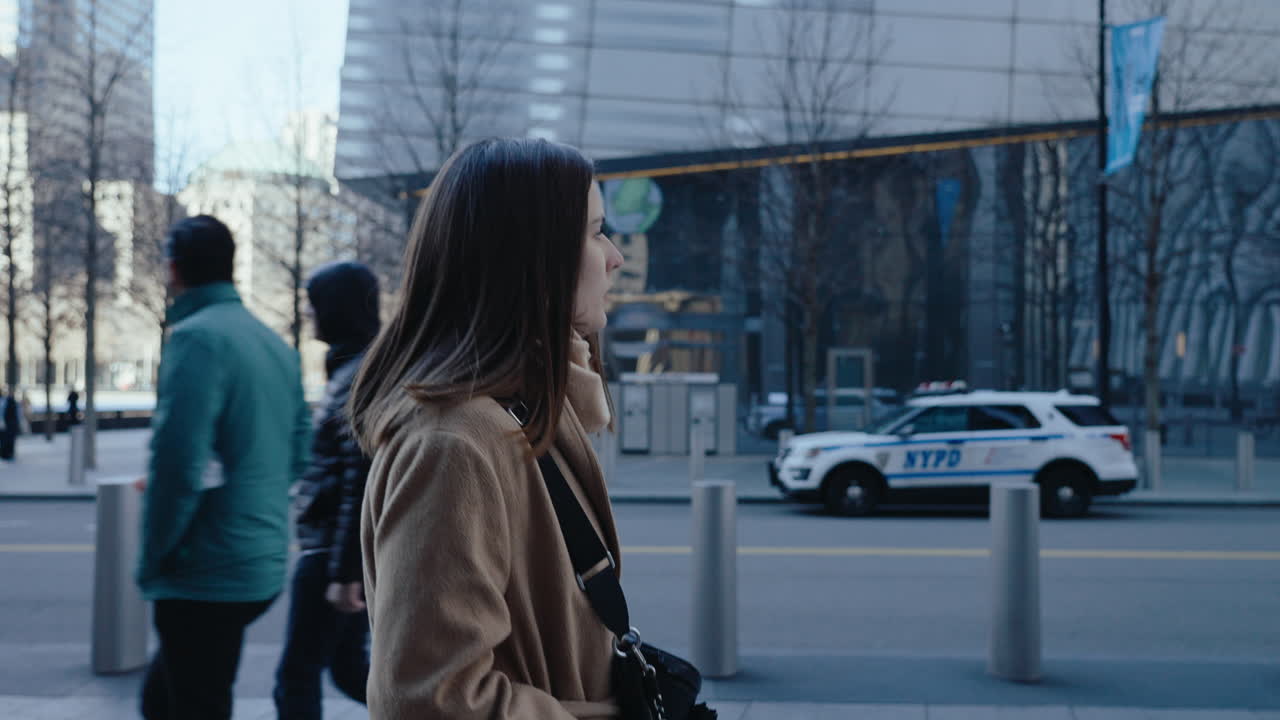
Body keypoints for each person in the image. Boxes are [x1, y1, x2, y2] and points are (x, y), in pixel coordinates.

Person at [349, 138, 627, 718]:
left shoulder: (517, 411)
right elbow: (430, 701)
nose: (614, 258)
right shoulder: (454, 443)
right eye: (597, 232)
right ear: (534, 257)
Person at [136, 214, 311, 720]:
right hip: (259, 558)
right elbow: (299, 449)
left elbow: (179, 465)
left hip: (204, 568)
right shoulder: (275, 344)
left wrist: (152, 559)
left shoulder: (195, 338)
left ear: (173, 269)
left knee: (194, 702)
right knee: (166, 697)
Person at [273, 261, 379, 719]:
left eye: (314, 304)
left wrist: (344, 573)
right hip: (333, 552)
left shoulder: (358, 376)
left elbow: (359, 479)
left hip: (328, 557)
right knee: (347, 669)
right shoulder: (354, 367)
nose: (309, 314)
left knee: (296, 678)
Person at [0, 387, 17, 460]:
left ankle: (7, 454)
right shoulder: (5, 400)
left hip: (8, 424)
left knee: (8, 439)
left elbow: (13, 414)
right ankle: (4, 454)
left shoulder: (9, 400)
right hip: (4, 423)